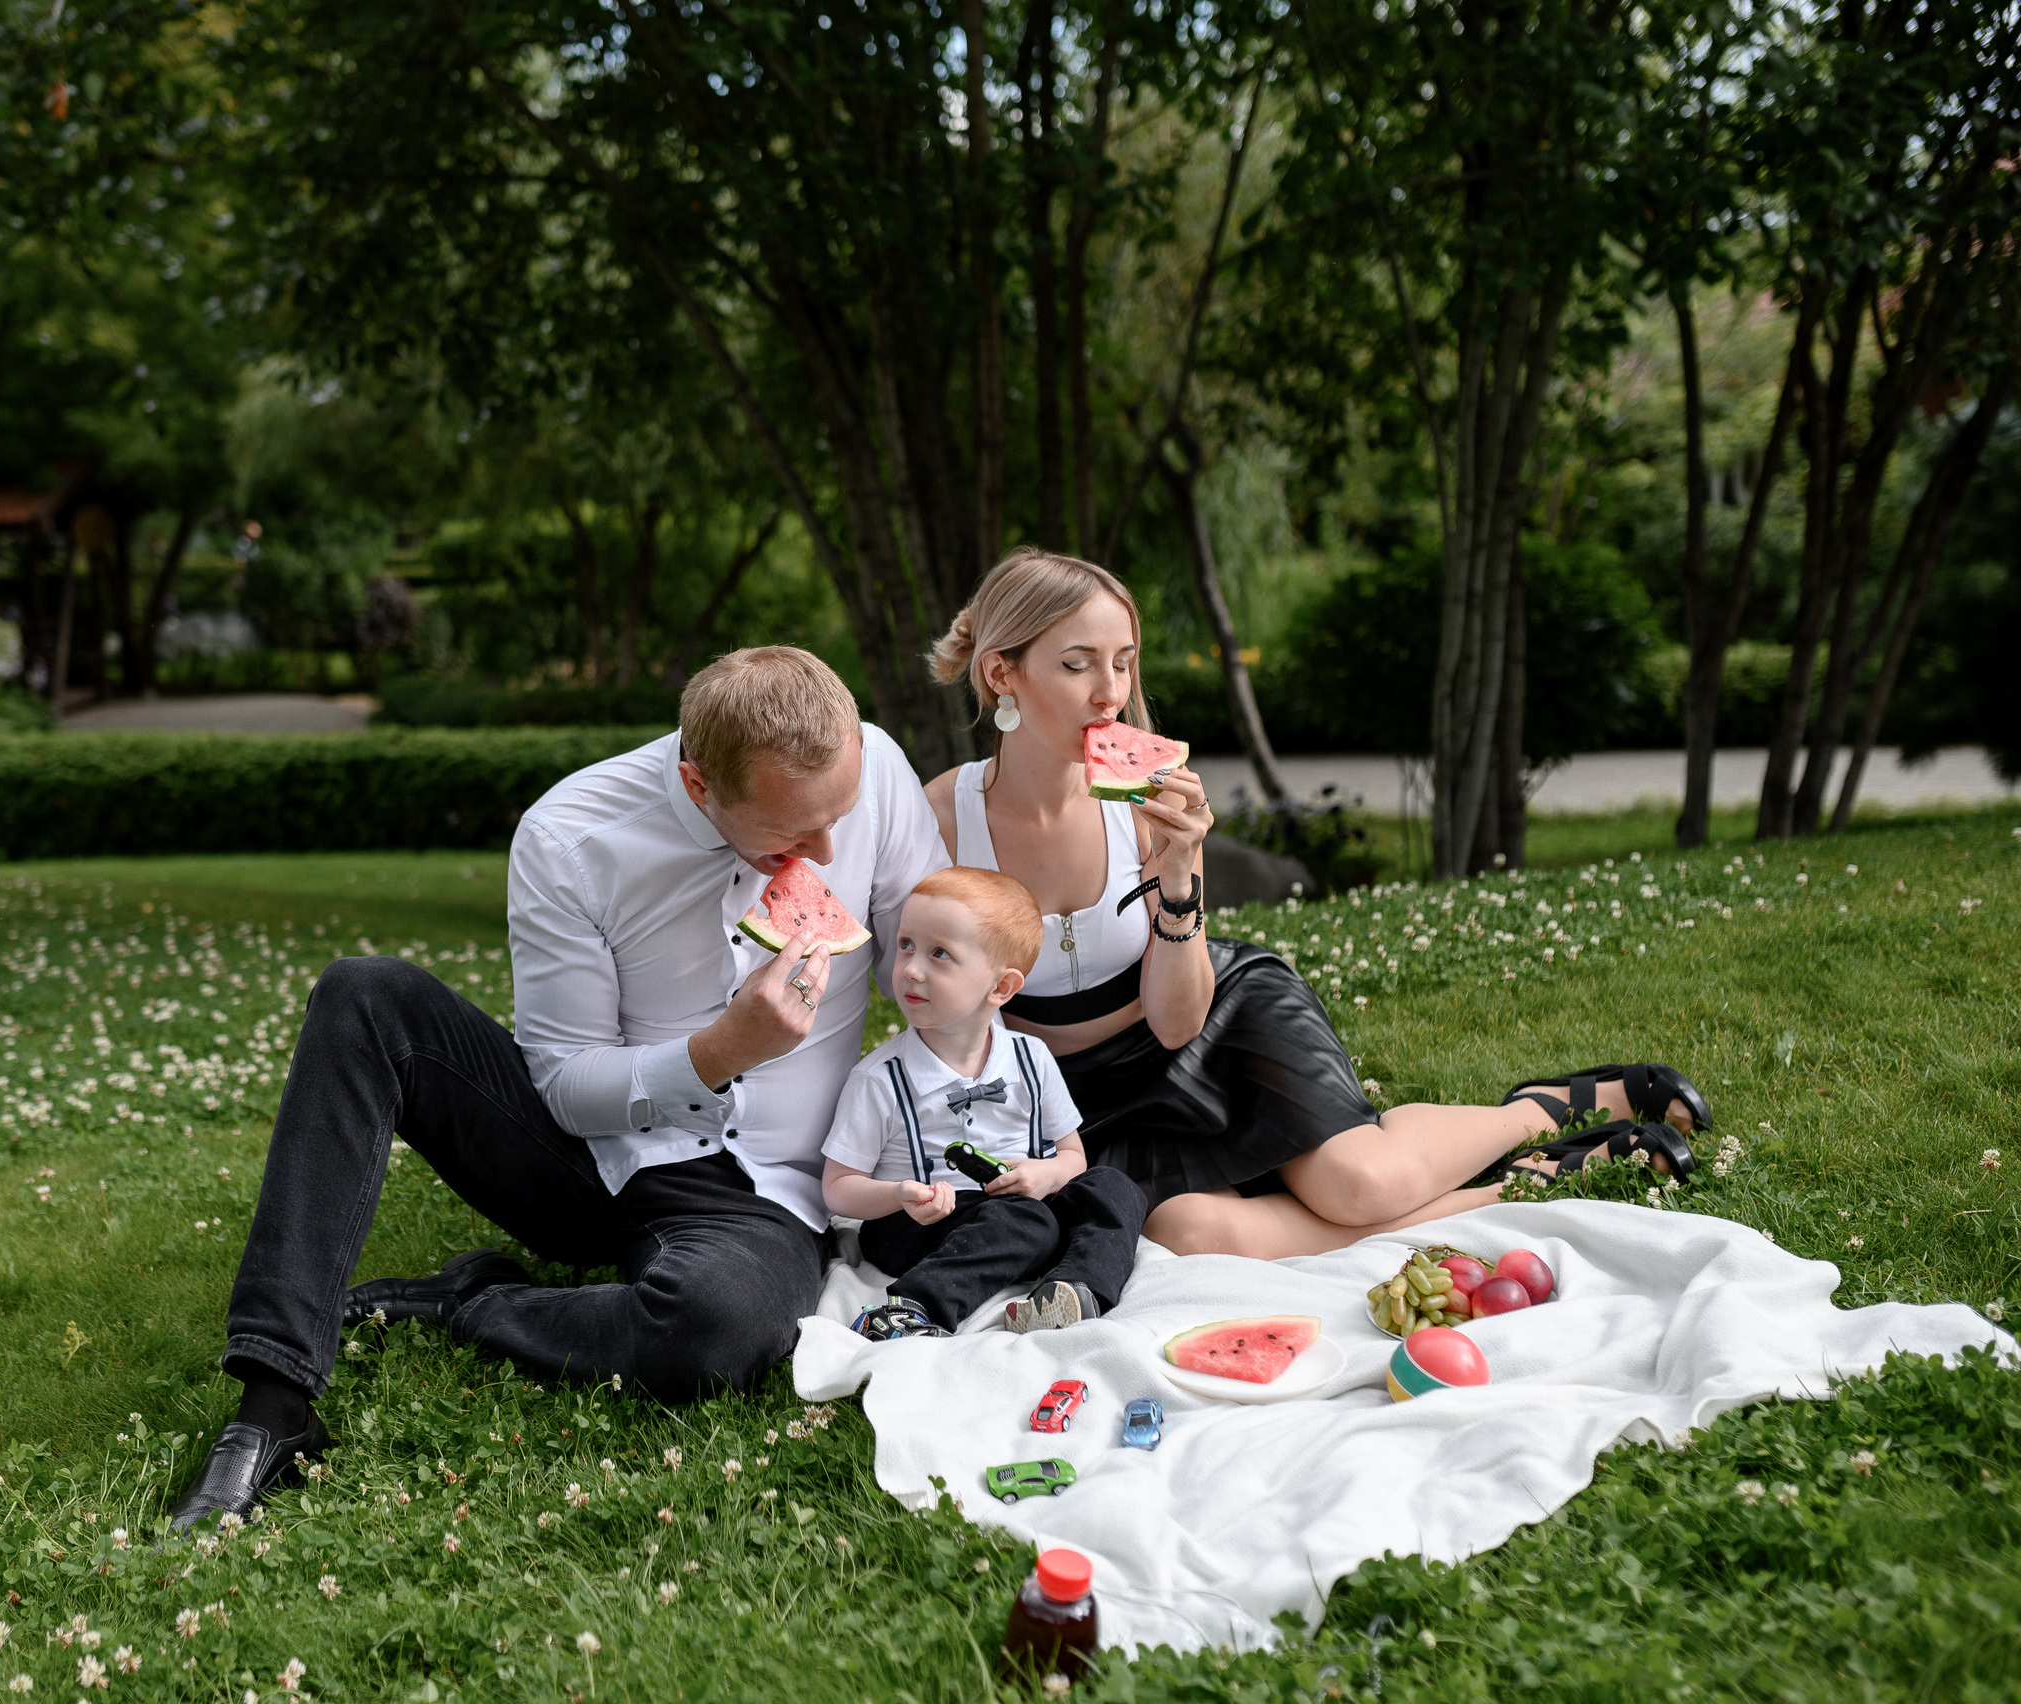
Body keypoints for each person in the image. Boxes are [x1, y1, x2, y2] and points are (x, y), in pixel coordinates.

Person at [166, 645, 946, 1531]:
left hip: (764, 1195)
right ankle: (273, 1406)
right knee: (364, 996)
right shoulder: (570, 836)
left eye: (839, 817)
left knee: (716, 1327)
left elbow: (939, 967)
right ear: (699, 784)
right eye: (793, 835)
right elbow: (568, 1084)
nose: (828, 852)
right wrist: (719, 1052)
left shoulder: (878, 768)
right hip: (587, 1160)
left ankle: (472, 1302)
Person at [919, 549, 1709, 1263]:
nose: (1111, 694)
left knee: (1361, 1184)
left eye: (1123, 663)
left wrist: (1180, 875)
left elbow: (1176, 1023)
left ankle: (1546, 1109)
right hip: (1070, 1098)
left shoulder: (1147, 806)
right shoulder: (942, 823)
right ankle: (1530, 1183)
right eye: (1077, 665)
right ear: (1002, 674)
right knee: (1193, 1235)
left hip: (1211, 1023)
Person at [822, 866, 1145, 1341]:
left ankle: (1075, 1292)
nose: (911, 968)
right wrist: (897, 1194)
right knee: (1027, 1222)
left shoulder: (1031, 1059)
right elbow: (838, 1188)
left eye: (939, 954)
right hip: (918, 1226)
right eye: (906, 944)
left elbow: (1073, 1156)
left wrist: (1046, 1174)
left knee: (1115, 1186)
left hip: (1023, 1211)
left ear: (1001, 987)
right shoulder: (880, 1079)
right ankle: (913, 1307)